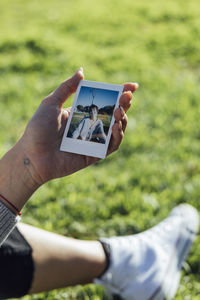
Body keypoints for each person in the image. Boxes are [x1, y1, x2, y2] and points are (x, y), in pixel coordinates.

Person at [0, 68, 199, 300]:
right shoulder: (85, 123)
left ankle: (127, 262)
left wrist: (29, 164)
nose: (93, 112)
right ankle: (131, 262)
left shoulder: (92, 125)